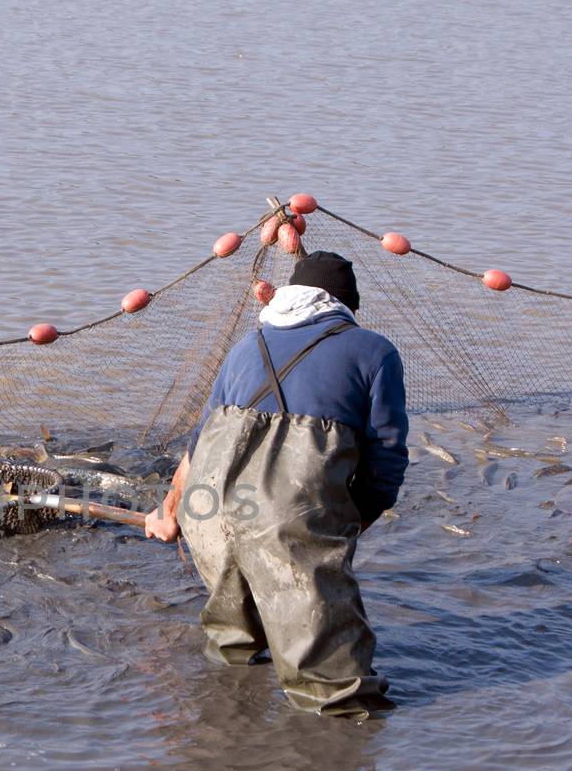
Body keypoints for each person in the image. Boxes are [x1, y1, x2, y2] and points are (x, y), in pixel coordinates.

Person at [144, 250, 408, 717]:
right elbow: (386, 457)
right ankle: (332, 760)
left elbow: (198, 441)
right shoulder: (374, 351)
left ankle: (225, 725)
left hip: (207, 509)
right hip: (286, 517)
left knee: (234, 642)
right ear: (345, 307)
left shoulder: (248, 344)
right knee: (332, 685)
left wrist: (171, 510)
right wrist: (353, 521)